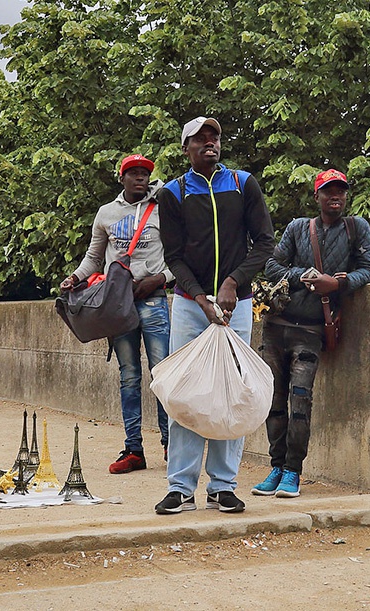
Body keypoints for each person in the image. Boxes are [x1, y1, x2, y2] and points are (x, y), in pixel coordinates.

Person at [154, 117, 275, 514]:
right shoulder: (173, 192)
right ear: (186, 147)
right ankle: (181, 487)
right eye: (201, 138)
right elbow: (174, 256)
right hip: (190, 306)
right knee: (185, 393)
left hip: (236, 305)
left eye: (215, 137)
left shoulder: (242, 183)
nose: (210, 143)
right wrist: (200, 297)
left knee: (231, 393)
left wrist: (233, 283)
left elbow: (264, 242)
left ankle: (223, 485)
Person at [253, 169, 370, 498]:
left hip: (311, 330)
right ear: (317, 196)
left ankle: (293, 471)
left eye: (340, 190)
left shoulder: (357, 228)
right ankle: (276, 467)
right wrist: (305, 276)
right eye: (327, 191)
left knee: (299, 401)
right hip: (277, 326)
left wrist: (338, 283)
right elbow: (272, 266)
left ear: (346, 196)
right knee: (274, 402)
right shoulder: (297, 228)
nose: (334, 196)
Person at [60, 154, 172, 473]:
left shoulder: (163, 210)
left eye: (145, 174)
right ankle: (133, 449)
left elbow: (178, 256)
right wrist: (74, 279)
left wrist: (160, 278)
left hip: (153, 299)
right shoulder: (106, 214)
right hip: (119, 302)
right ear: (121, 178)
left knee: (162, 375)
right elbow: (94, 258)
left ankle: (170, 444)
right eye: (133, 173)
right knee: (130, 376)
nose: (140, 178)